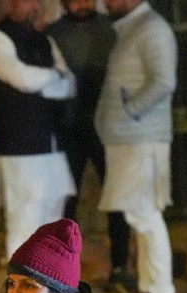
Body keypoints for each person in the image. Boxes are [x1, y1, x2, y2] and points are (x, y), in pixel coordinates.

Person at [95, 0, 177, 293]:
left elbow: (164, 81)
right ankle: (151, 287)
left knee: (144, 213)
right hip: (128, 139)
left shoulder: (152, 29)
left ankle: (159, 290)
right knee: (137, 213)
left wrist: (130, 112)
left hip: (141, 139)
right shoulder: (133, 29)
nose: (106, 2)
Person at [0, 0, 78, 259]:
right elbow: (22, 78)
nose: (34, 5)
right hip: (17, 147)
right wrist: (50, 78)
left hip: (52, 144)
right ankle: (20, 291)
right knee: (25, 220)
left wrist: (45, 82)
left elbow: (69, 84)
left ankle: (49, 286)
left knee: (54, 219)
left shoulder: (44, 41)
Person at [46, 0, 115, 221]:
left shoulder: (112, 30)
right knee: (66, 200)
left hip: (107, 126)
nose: (83, 4)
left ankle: (122, 255)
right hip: (69, 126)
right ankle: (65, 254)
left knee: (118, 199)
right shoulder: (53, 34)